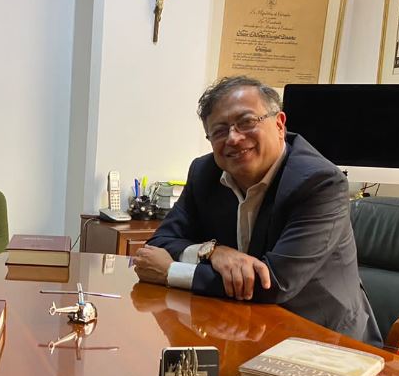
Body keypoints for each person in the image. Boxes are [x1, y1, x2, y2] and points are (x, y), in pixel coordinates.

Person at [133, 75, 382, 346]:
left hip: (322, 339)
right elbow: (159, 244)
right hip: (241, 328)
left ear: (279, 124)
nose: (234, 138)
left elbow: (274, 283)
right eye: (219, 130)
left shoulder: (320, 183)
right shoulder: (204, 172)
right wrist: (213, 252)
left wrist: (172, 272)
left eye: (247, 122)